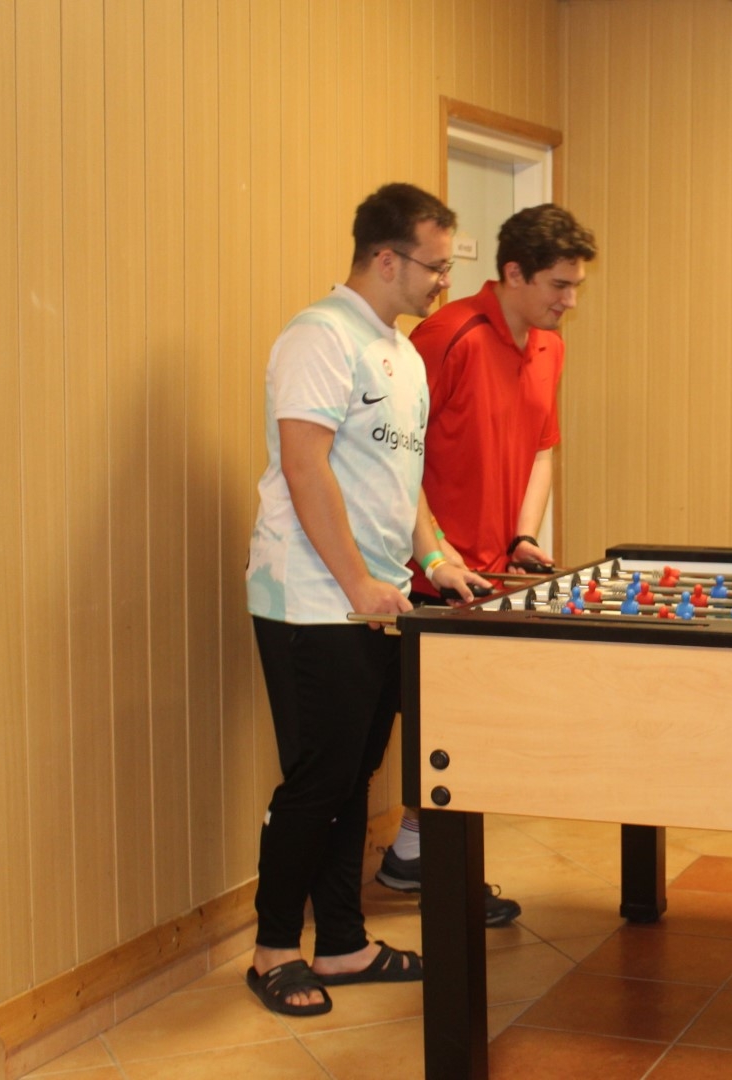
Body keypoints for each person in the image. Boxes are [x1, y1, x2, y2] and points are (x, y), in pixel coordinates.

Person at [243, 182, 487, 1016]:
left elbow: (399, 477)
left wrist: (435, 557)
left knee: (353, 781)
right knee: (317, 782)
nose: (443, 283)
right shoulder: (319, 336)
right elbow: (304, 466)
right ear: (386, 259)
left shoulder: (404, 353)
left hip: (373, 601)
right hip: (311, 601)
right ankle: (275, 948)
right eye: (434, 267)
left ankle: (343, 944)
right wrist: (356, 583)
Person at [374, 203, 597, 919]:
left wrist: (524, 535)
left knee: (470, 733)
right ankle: (434, 872)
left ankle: (414, 855)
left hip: (492, 575)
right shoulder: (447, 336)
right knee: (451, 740)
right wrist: (435, 552)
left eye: (576, 286)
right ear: (513, 273)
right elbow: (395, 456)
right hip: (427, 574)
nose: (569, 300)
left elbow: (542, 449)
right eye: (559, 285)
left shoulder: (550, 346)